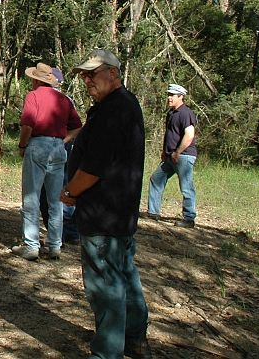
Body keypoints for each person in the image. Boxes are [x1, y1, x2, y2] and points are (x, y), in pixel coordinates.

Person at [61, 49, 150, 359]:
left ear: (113, 73)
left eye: (92, 74)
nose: (87, 80)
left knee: (105, 287)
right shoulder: (119, 105)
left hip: (103, 215)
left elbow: (93, 167)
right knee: (125, 276)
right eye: (84, 76)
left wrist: (71, 191)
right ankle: (134, 339)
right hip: (118, 214)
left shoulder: (114, 110)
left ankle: (108, 352)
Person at [13, 62, 82, 261]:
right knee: (55, 200)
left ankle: (31, 245)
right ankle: (55, 245)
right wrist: (62, 141)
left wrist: (22, 145)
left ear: (36, 80)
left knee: (31, 197)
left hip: (38, 145)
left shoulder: (33, 96)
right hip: (58, 149)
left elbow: (27, 125)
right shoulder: (63, 99)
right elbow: (77, 126)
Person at [147, 83, 198, 228]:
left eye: (172, 95)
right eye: (168, 95)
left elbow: (189, 135)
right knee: (156, 179)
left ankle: (189, 218)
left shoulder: (185, 113)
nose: (169, 98)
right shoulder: (171, 113)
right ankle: (153, 212)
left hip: (184, 156)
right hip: (171, 156)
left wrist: (178, 152)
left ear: (181, 96)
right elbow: (170, 134)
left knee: (186, 186)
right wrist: (165, 152)